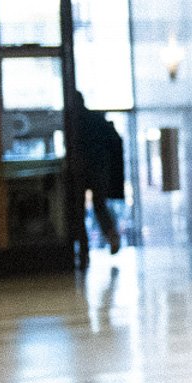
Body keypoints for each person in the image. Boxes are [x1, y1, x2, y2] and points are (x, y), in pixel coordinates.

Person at [68, 91, 125, 266]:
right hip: (99, 169)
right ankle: (110, 237)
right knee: (99, 206)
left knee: (80, 210)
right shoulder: (96, 119)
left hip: (83, 170)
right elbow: (115, 141)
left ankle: (84, 251)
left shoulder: (74, 122)